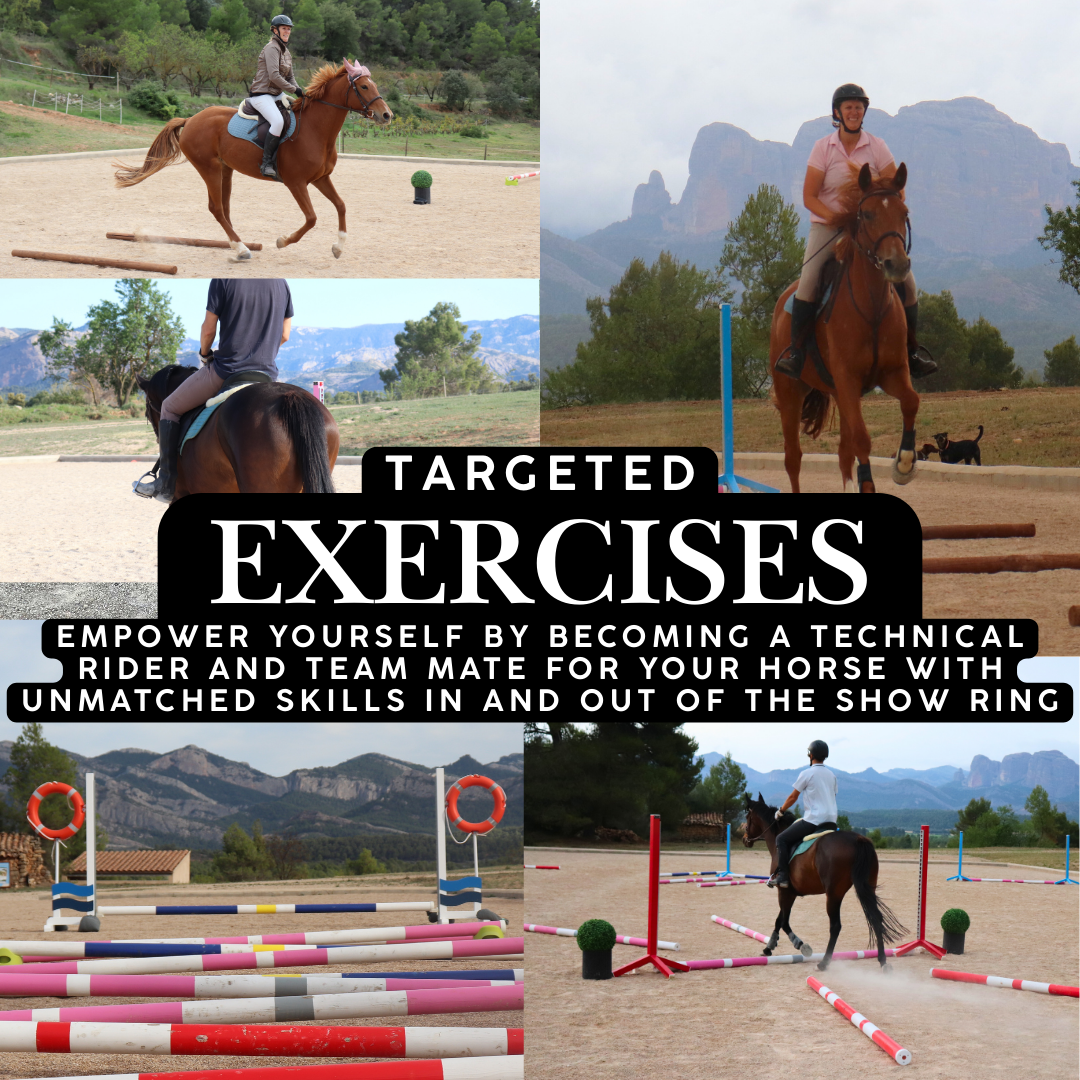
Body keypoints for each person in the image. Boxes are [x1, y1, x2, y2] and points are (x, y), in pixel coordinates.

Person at [774, 83, 938, 382]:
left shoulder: (876, 146)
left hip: (869, 228)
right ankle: (796, 353)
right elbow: (809, 196)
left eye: (858, 107)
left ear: (864, 112)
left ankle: (912, 352)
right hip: (828, 226)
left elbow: (894, 187)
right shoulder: (823, 147)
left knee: (908, 285)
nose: (853, 112)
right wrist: (835, 217)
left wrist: (884, 217)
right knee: (808, 282)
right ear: (838, 112)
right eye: (848, 107)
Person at [135, 278, 294, 502]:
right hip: (267, 374)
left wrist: (204, 354)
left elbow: (208, 330)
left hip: (226, 371)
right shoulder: (281, 283)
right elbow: (285, 335)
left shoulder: (224, 279)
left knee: (169, 406)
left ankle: (165, 483)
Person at [767, 740, 838, 889]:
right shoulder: (832, 775)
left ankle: (783, 877)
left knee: (781, 839)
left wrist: (780, 812)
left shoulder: (807, 773)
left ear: (811, 755)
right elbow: (833, 796)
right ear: (825, 756)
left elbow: (793, 797)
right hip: (831, 821)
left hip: (813, 821)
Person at [249, 14, 303, 179]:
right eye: (284, 28)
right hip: (261, 94)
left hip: (277, 94)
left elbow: (290, 77)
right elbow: (274, 76)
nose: (287, 31)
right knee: (278, 121)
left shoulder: (286, 52)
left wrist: (300, 91)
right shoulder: (272, 48)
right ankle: (267, 163)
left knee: (300, 111)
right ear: (275, 30)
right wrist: (293, 90)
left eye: (289, 29)